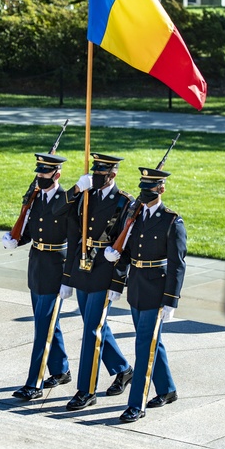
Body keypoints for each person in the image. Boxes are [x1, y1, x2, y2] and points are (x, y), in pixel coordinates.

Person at [106, 167, 187, 423]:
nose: (144, 194)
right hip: (138, 288)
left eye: (149, 189)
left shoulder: (171, 220)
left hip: (156, 291)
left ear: (161, 189)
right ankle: (167, 389)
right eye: (142, 188)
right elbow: (128, 251)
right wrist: (117, 276)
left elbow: (177, 264)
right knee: (152, 342)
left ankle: (136, 404)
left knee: (143, 347)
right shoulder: (135, 214)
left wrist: (171, 300)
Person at [57, 153, 135, 411]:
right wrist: (77, 188)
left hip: (105, 270)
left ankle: (86, 390)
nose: (95, 176)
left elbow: (127, 247)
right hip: (82, 268)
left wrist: (117, 282)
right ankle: (123, 369)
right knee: (94, 324)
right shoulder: (85, 196)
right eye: (94, 172)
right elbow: (60, 215)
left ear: (112, 174)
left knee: (91, 330)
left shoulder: (125, 202)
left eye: (100, 173)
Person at [3, 153, 74, 400]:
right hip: (37, 267)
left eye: (45, 174)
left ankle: (34, 383)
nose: (39, 177)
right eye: (38, 173)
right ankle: (61, 369)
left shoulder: (66, 201)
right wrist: (15, 239)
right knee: (46, 323)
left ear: (57, 174)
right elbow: (33, 230)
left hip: (56, 269)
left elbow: (74, 243)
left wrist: (68, 279)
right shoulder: (36, 197)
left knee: (42, 328)